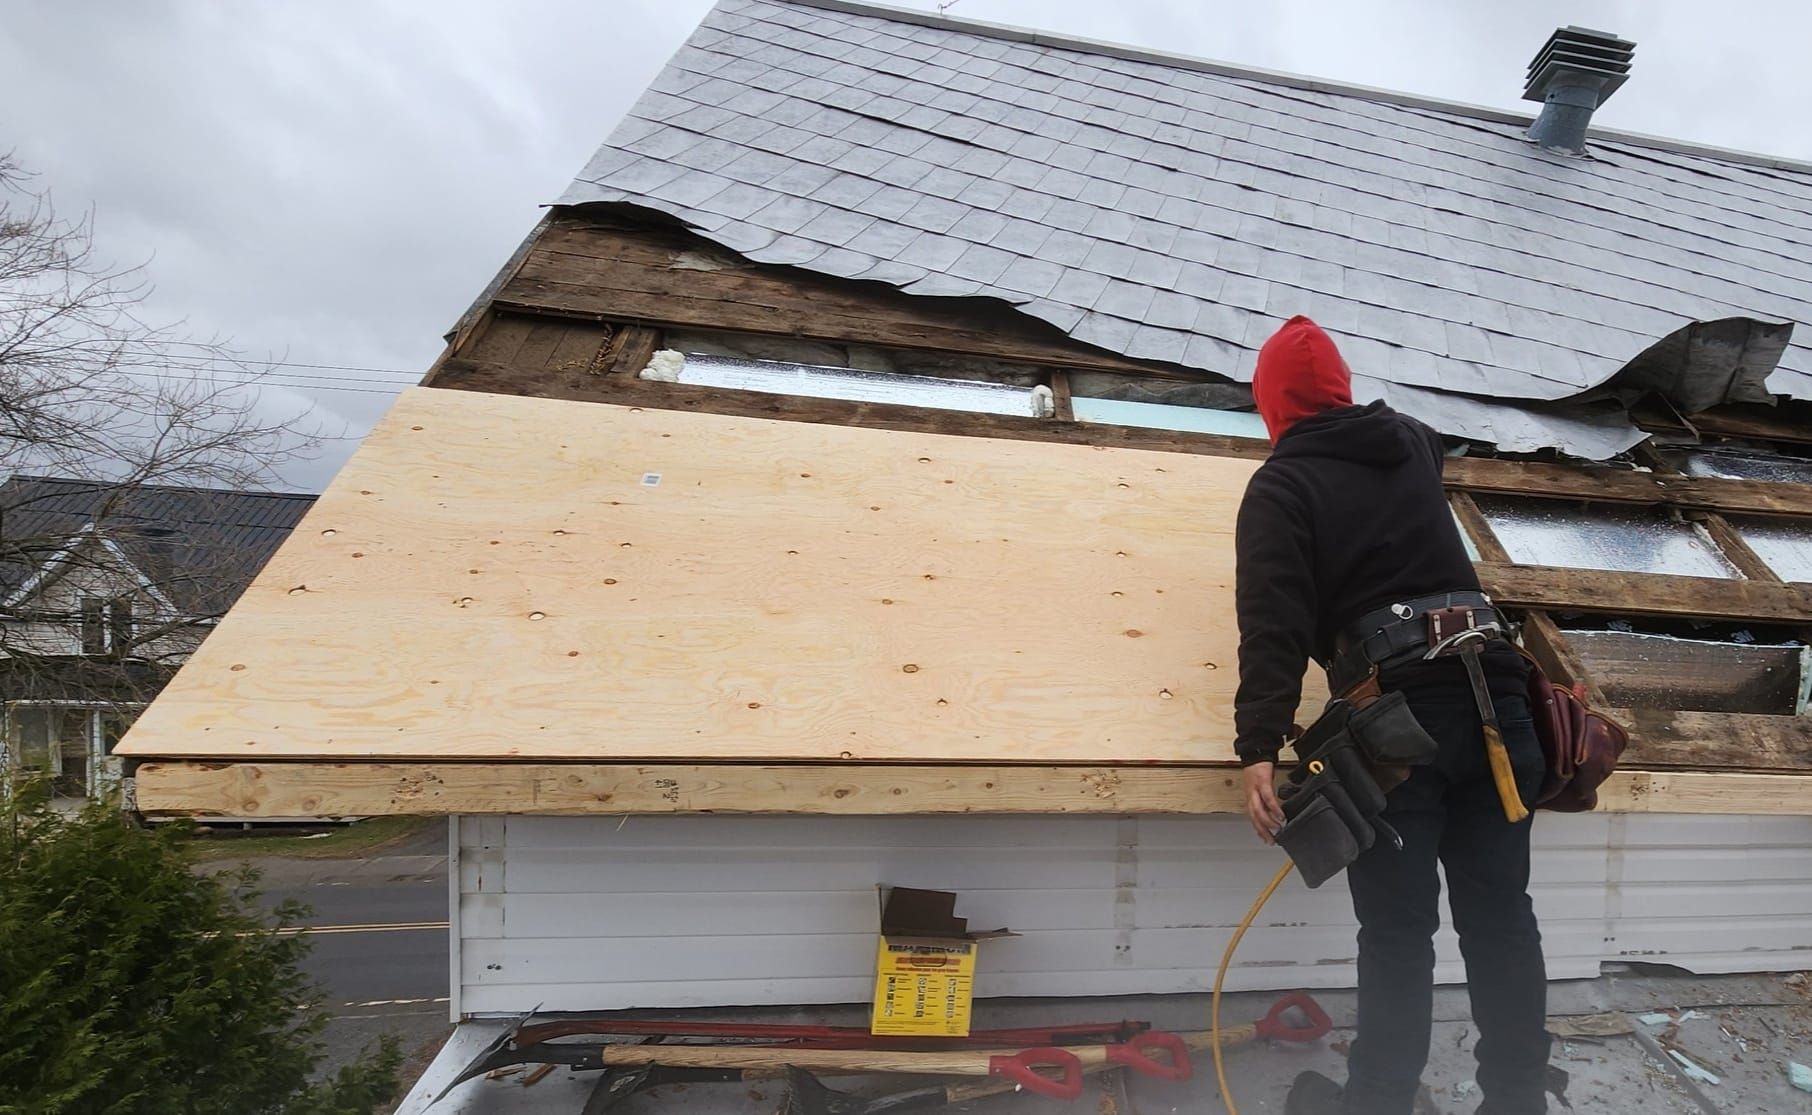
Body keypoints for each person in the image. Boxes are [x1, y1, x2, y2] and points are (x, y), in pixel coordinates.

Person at [1232, 316, 1551, 1115]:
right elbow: (1422, 452)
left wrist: (1257, 743)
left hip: (1400, 721)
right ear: (1341, 390)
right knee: (1501, 916)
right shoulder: (1410, 441)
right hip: (1498, 697)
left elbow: (1272, 620)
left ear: (1272, 405)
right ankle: (1517, 1102)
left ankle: (1376, 1101)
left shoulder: (1282, 485)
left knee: (1399, 932)